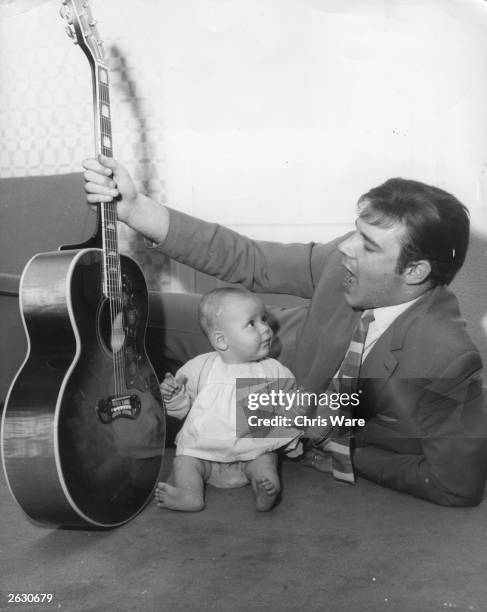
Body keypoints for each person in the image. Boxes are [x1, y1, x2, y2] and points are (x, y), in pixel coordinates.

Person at [83, 154, 487, 507]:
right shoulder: (343, 256)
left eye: (369, 244)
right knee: (136, 309)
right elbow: (253, 261)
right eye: (355, 233)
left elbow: (456, 485)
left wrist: (343, 450)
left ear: (415, 272)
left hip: (278, 403)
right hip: (271, 344)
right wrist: (136, 210)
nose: (347, 247)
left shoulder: (446, 356)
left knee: (207, 428)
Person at [154, 286, 303, 512]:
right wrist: (174, 396)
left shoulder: (272, 370)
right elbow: (183, 409)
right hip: (204, 453)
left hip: (250, 454)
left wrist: (293, 433)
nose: (266, 329)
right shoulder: (199, 367)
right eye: (252, 324)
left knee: (266, 459)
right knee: (183, 461)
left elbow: (289, 406)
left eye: (264, 319)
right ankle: (189, 493)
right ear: (221, 340)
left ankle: (264, 486)